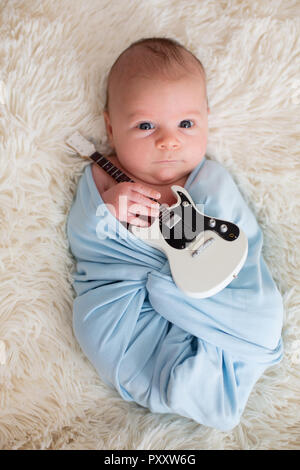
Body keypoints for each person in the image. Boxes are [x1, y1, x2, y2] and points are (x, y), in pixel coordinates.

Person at [67, 38, 283, 431]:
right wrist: (108, 213)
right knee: (93, 325)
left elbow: (243, 242)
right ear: (111, 127)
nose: (169, 141)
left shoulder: (211, 181)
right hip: (130, 301)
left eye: (186, 124)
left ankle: (205, 380)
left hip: (212, 297)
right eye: (146, 125)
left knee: (267, 315)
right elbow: (85, 241)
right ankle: (174, 378)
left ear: (206, 118)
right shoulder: (101, 178)